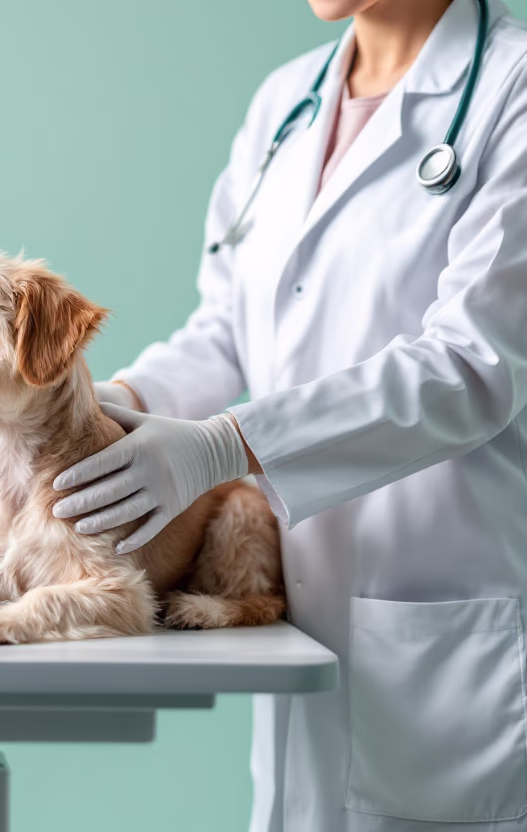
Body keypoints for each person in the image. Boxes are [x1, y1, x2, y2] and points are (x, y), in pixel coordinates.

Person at [49, 0, 527, 830]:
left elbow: (474, 365)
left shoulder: (511, 92)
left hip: (442, 604)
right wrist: (114, 408)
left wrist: (228, 444)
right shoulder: (287, 102)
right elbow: (228, 327)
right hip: (304, 609)